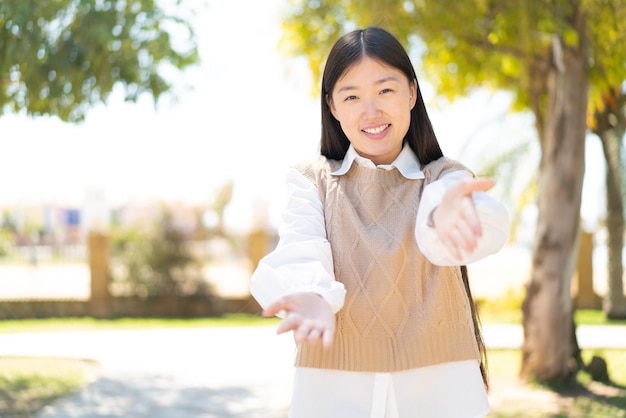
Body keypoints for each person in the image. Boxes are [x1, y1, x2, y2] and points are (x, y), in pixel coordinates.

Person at [250, 26, 510, 418]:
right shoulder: (312, 180)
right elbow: (302, 244)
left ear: (411, 92)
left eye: (385, 90)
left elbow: (453, 218)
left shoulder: (444, 178)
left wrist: (449, 214)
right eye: (351, 96)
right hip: (333, 386)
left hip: (439, 387)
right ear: (333, 107)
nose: (370, 111)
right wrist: (312, 295)